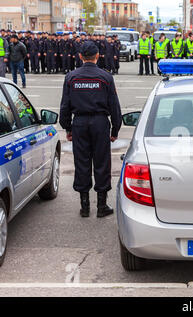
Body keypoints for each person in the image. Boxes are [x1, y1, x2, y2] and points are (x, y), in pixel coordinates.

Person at [59, 41, 122, 218]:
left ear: (80, 57)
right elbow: (114, 107)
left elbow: (65, 106)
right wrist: (115, 130)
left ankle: (84, 206)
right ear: (97, 56)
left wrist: (68, 128)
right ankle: (102, 206)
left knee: (82, 163)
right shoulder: (106, 77)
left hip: (79, 123)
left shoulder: (71, 77)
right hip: (100, 124)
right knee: (102, 163)